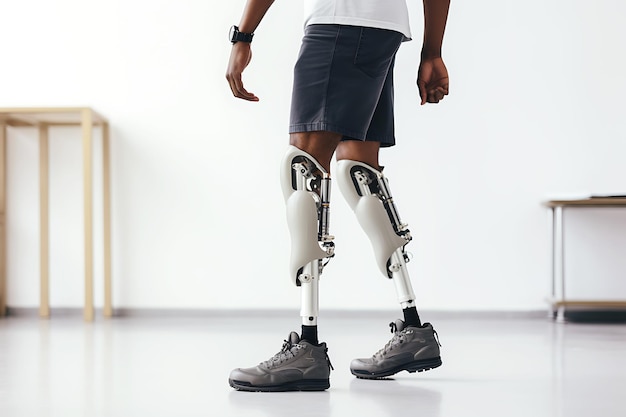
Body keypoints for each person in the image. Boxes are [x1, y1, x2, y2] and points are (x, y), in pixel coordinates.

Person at [225, 0, 450, 392]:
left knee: (304, 166)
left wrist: (243, 35)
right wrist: (432, 50)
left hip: (340, 20)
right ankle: (414, 330)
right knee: (358, 171)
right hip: (384, 28)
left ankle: (307, 347)